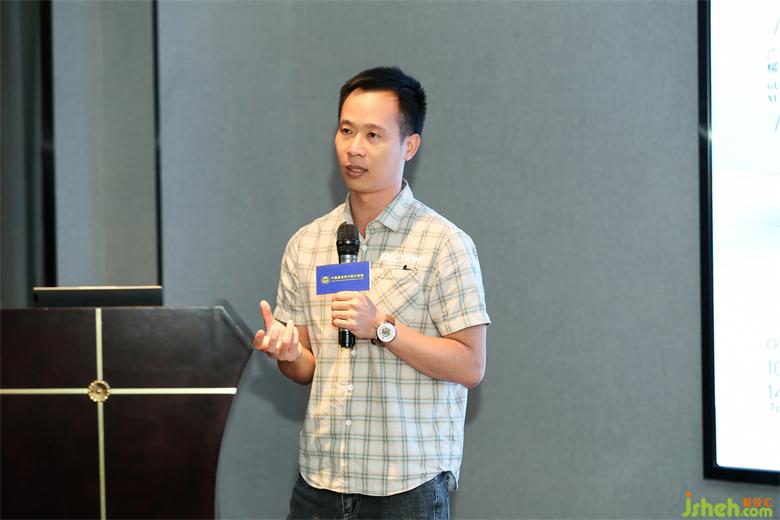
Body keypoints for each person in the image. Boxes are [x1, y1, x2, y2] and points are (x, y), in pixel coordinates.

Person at [253, 66, 490, 520]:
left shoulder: (444, 243)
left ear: (409, 146)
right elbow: (306, 367)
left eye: (373, 135)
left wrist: (382, 328)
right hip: (321, 482)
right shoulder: (308, 243)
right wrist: (288, 354)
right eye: (346, 131)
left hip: (406, 487)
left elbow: (470, 365)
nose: (354, 148)